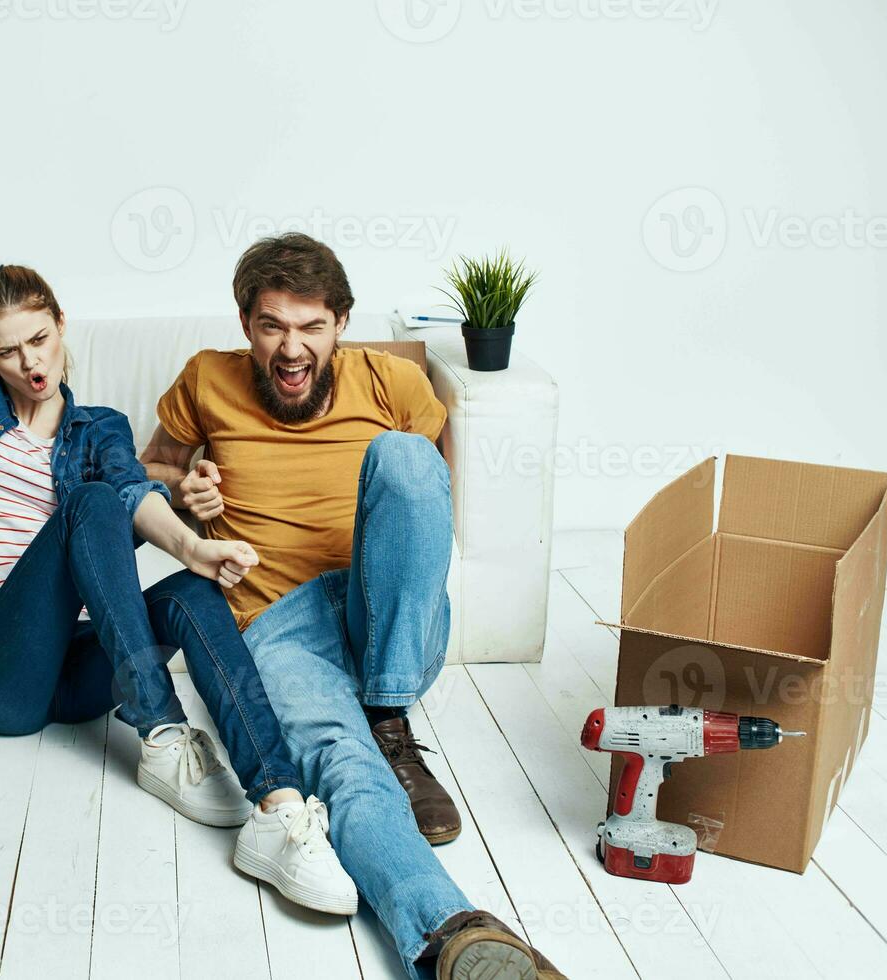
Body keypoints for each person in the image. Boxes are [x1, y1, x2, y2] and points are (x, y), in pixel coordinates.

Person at [0, 51, 357, 916]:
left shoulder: (96, 428)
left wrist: (196, 543)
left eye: (39, 340)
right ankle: (162, 732)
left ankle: (278, 809)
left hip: (70, 676)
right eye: (7, 350)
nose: (29, 364)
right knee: (90, 502)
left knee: (188, 593)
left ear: (62, 326)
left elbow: (141, 500)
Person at [141, 233, 567, 978]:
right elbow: (150, 466)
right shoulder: (205, 379)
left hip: (383, 612)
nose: (291, 346)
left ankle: (388, 703)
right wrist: (180, 490)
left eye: (310, 326)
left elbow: (428, 509)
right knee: (347, 776)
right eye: (272, 325)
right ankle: (453, 934)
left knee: (404, 458)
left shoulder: (390, 384)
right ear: (246, 326)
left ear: (340, 322)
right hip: (276, 628)